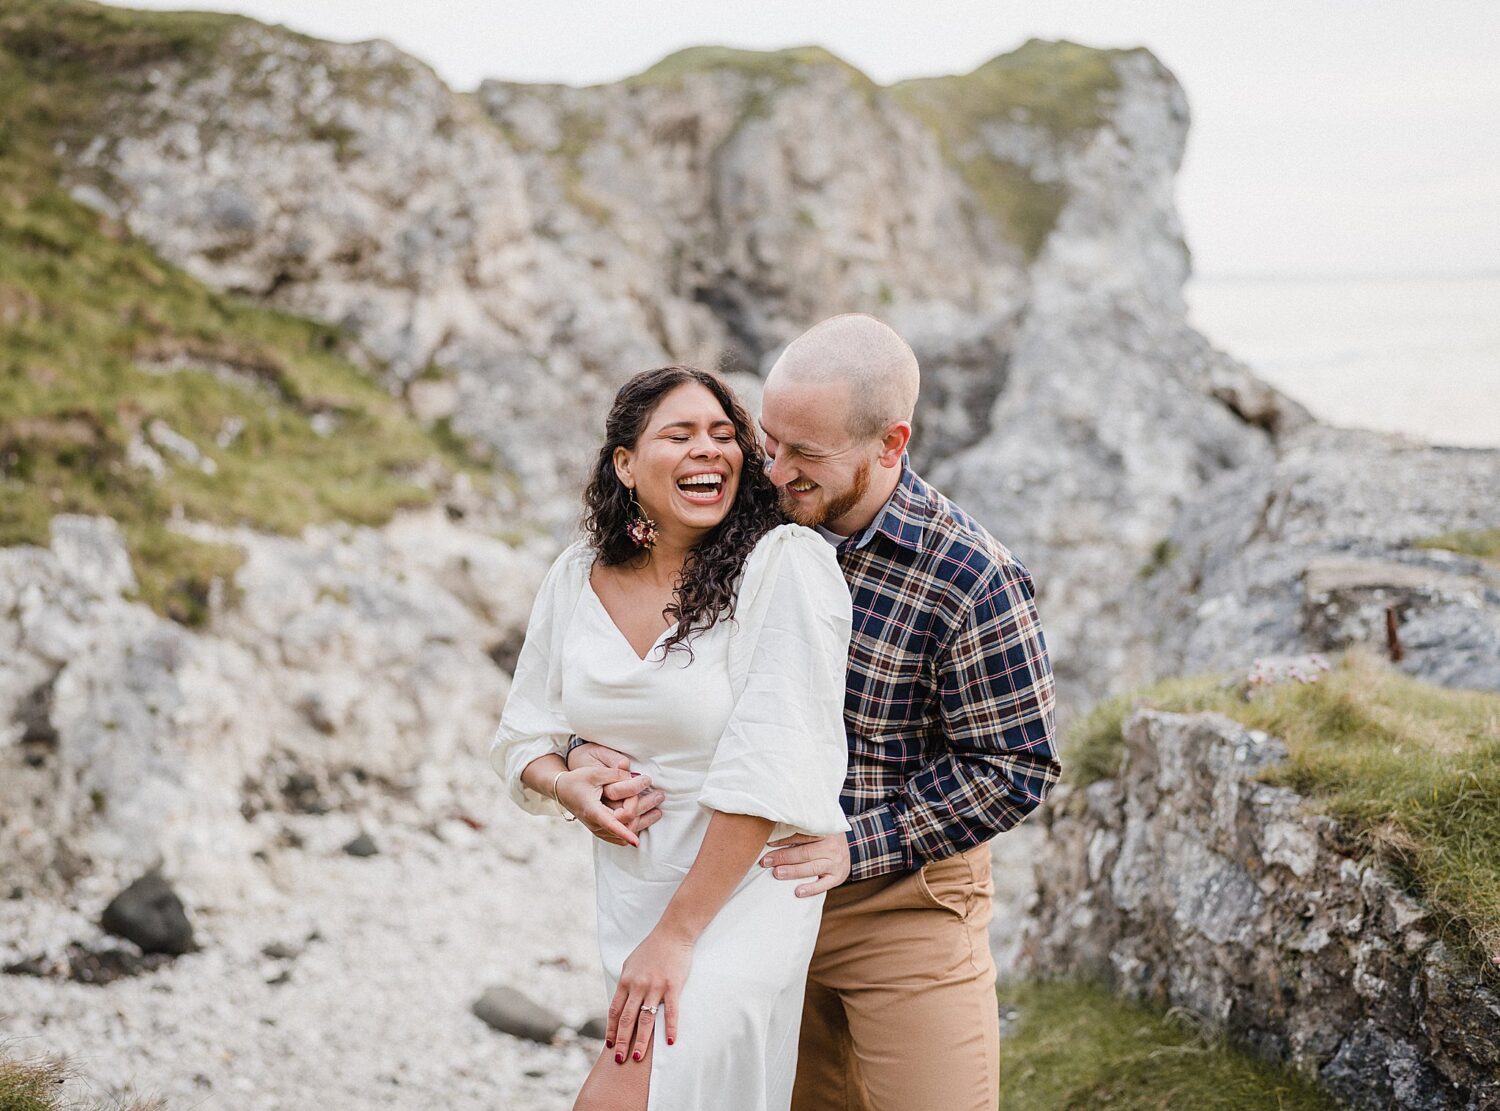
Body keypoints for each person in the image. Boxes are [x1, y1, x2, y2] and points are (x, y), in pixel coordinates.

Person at [569, 315, 1060, 1111]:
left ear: (890, 444)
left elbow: (1016, 766)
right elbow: (623, 647)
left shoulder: (973, 577)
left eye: (806, 454)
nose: (774, 468)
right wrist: (581, 750)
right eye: (769, 439)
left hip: (905, 903)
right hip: (744, 888)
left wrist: (859, 843)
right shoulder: (736, 515)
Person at [490, 365, 853, 1111]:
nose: (708, 451)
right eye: (679, 434)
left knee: (621, 1096)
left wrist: (678, 935)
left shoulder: (782, 563)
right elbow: (521, 734)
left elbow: (772, 764)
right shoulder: (575, 575)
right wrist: (569, 782)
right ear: (625, 464)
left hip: (749, 882)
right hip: (635, 885)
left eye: (725, 435)